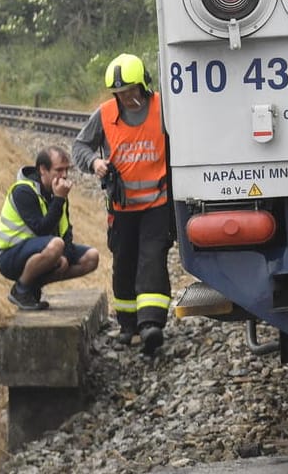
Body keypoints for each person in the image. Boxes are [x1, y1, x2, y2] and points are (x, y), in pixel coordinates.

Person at [73, 53, 174, 354]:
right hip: (122, 207)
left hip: (158, 202)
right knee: (124, 263)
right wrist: (94, 162)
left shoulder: (163, 107)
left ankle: (151, 324)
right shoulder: (104, 114)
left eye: (131, 90)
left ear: (144, 85)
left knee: (152, 259)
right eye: (120, 93)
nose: (127, 97)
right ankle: (128, 325)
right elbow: (80, 145)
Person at [0, 145, 100, 310]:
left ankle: (33, 287)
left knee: (91, 257)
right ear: (43, 169)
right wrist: (58, 200)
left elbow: (66, 231)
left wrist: (64, 257)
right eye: (58, 170)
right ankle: (20, 289)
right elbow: (41, 229)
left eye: (67, 170)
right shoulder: (23, 191)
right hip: (9, 256)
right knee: (56, 245)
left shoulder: (56, 192)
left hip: (40, 251)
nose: (64, 175)